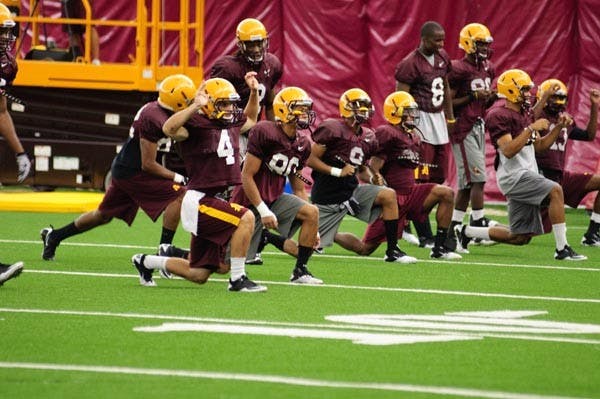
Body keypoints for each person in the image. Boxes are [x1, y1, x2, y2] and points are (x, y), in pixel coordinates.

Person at [132, 74, 268, 292]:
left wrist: (253, 93)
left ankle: (146, 261)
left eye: (231, 104)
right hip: (200, 200)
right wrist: (195, 106)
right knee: (246, 217)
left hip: (216, 199)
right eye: (223, 104)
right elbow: (169, 129)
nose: (230, 109)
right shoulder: (195, 125)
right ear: (210, 103)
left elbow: (250, 119)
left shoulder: (230, 122)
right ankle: (238, 280)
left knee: (201, 273)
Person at [40, 74, 194, 266]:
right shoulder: (153, 118)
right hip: (135, 172)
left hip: (127, 169)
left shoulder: (160, 110)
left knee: (102, 216)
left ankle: (55, 236)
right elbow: (148, 164)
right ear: (177, 101)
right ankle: (164, 250)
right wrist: (178, 177)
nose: (190, 104)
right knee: (179, 194)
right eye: (187, 100)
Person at [455, 69, 587, 261]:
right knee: (556, 190)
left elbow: (540, 146)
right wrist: (531, 129)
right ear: (510, 90)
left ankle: (466, 232)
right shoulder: (498, 114)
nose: (528, 94)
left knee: (519, 237)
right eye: (524, 89)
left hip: (525, 173)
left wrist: (558, 127)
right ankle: (562, 248)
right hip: (514, 176)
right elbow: (508, 150)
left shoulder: (523, 115)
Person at [307, 88, 416, 263]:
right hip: (327, 196)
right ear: (347, 108)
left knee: (389, 195)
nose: (364, 111)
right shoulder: (332, 128)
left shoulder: (368, 136)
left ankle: (392, 250)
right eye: (359, 107)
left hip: (351, 192)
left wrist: (373, 178)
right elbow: (310, 159)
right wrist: (337, 171)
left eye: (366, 107)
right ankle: (328, 234)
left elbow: (362, 169)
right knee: (306, 247)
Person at [210, 17, 283, 264]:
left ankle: (251, 243)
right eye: (249, 44)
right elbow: (214, 101)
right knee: (233, 185)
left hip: (254, 130)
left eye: (258, 43)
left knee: (256, 183)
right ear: (240, 44)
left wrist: (275, 132)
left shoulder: (272, 64)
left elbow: (270, 101)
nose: (255, 49)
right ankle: (220, 243)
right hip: (230, 130)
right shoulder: (227, 68)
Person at [231, 86, 322, 284]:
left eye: (306, 109)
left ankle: (301, 271)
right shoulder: (265, 131)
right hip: (248, 202)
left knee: (312, 212)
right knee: (219, 263)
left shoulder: (303, 144)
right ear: (283, 110)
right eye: (300, 108)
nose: (305, 113)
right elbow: (247, 176)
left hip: (275, 199)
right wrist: (262, 210)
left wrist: (314, 229)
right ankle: (163, 258)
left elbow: (298, 188)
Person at [363, 91, 461, 260]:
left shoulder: (412, 136)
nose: (412, 116)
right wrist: (379, 186)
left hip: (411, 193)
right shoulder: (387, 132)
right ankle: (330, 234)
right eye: (407, 111)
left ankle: (439, 248)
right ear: (394, 112)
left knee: (446, 193)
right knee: (364, 248)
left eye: (413, 112)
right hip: (394, 199)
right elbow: (373, 166)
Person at [394, 21, 455, 248]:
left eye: (442, 39)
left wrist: (449, 117)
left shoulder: (443, 58)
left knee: (437, 179)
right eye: (436, 40)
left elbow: (446, 86)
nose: (440, 44)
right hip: (420, 120)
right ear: (424, 39)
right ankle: (424, 233)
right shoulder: (410, 63)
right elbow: (401, 98)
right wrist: (406, 129)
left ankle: (412, 218)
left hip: (438, 121)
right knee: (421, 179)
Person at [448, 23, 498, 248]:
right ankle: (477, 224)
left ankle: (454, 229)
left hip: (478, 125)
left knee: (469, 185)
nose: (484, 48)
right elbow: (448, 102)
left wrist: (489, 97)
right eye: (480, 43)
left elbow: (482, 103)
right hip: (463, 127)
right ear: (468, 43)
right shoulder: (458, 68)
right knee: (478, 180)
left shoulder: (488, 68)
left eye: (486, 44)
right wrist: (472, 96)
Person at [533, 78, 600, 246]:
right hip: (540, 177)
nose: (557, 102)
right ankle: (473, 231)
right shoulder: (537, 117)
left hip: (560, 175)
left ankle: (593, 233)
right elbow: (529, 118)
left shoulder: (564, 120)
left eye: (560, 98)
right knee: (523, 234)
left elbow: (589, 136)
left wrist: (594, 107)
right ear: (543, 97)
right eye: (553, 97)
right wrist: (543, 98)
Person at [0, 4, 27, 285]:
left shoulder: (7, 64)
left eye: (8, 32)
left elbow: (1, 111)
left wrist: (20, 152)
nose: (6, 38)